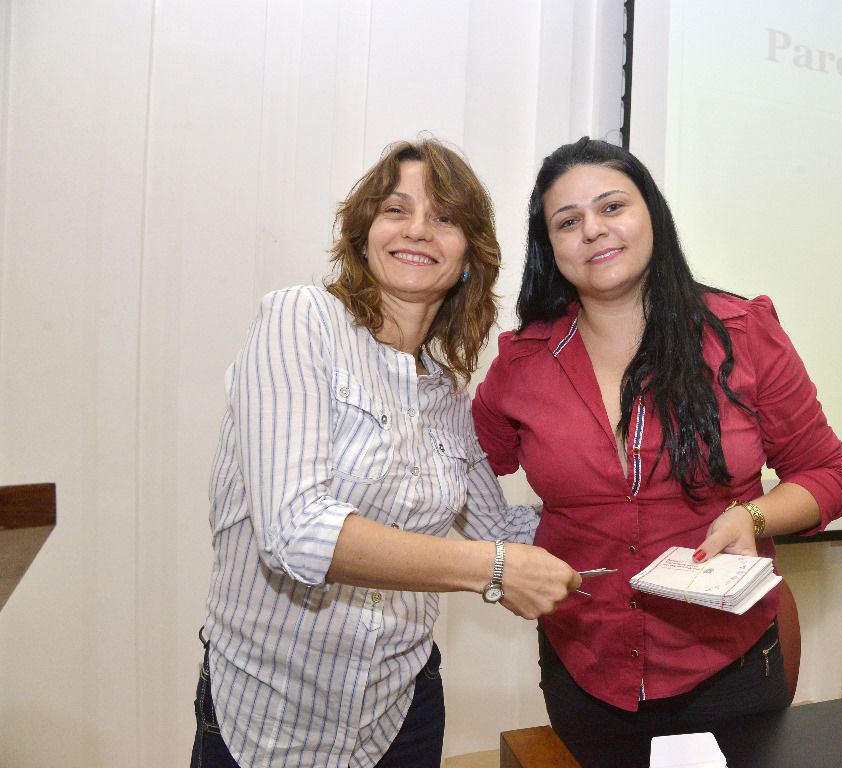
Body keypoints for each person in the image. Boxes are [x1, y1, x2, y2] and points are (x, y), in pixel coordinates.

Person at [191, 138, 580, 768]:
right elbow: (295, 531)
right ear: (364, 230)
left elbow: (503, 529)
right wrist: (493, 568)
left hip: (402, 711)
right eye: (397, 210)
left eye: (445, 217)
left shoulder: (447, 393)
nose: (419, 230)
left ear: (468, 258)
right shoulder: (301, 320)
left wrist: (635, 501)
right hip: (269, 715)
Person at [471, 137, 842, 762]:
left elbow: (827, 475)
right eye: (568, 221)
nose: (593, 230)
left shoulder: (742, 332)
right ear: (550, 246)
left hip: (728, 666)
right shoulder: (522, 361)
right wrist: (500, 557)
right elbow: (455, 471)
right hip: (583, 669)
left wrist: (751, 516)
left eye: (612, 206)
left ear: (652, 212)